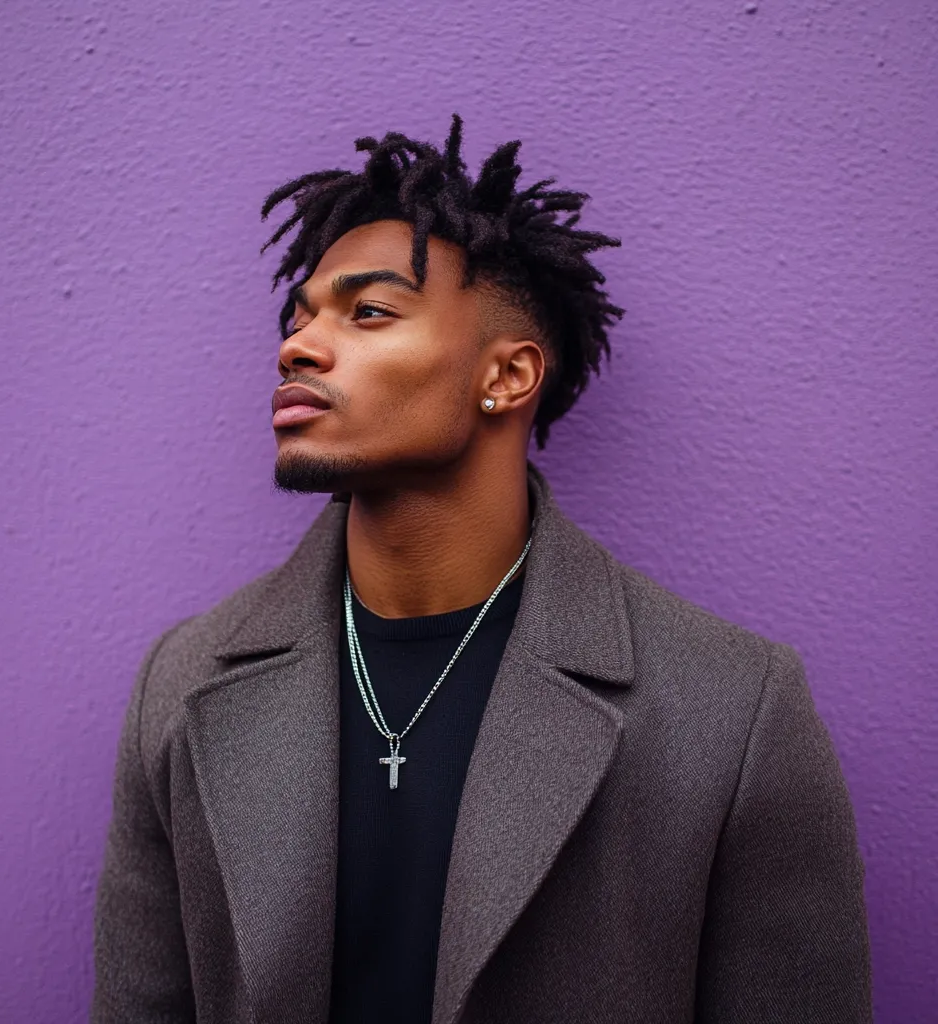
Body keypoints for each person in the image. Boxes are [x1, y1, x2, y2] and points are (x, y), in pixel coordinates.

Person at [90, 115, 872, 1024]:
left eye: (368, 311)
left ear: (507, 376)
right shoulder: (181, 686)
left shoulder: (732, 709)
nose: (296, 346)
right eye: (300, 317)